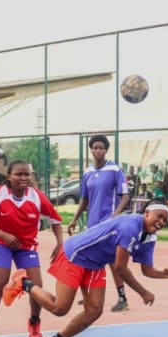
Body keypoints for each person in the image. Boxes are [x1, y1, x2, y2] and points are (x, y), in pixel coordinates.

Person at [1, 203, 168, 337]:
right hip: (75, 255)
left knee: (94, 310)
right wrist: (143, 292)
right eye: (159, 216)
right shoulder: (130, 227)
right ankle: (23, 282)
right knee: (60, 308)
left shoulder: (149, 237)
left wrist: (164, 274)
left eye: (166, 220)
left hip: (95, 264)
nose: (161, 221)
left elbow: (147, 270)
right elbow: (120, 267)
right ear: (147, 213)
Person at [0, 160, 64, 337]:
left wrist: (60, 243)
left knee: (37, 286)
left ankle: (34, 323)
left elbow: (55, 220)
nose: (23, 178)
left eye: (26, 174)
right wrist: (3, 236)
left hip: (27, 246)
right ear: (9, 177)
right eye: (19, 174)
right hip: (1, 243)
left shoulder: (36, 196)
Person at [67, 134, 131, 312]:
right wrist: (74, 219)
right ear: (91, 150)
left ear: (106, 150)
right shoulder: (87, 172)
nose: (98, 151)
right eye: (95, 148)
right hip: (92, 224)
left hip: (109, 224)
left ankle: (122, 297)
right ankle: (88, 294)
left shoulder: (115, 170)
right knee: (88, 258)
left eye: (101, 148)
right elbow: (84, 199)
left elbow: (125, 195)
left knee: (113, 261)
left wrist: (115, 215)